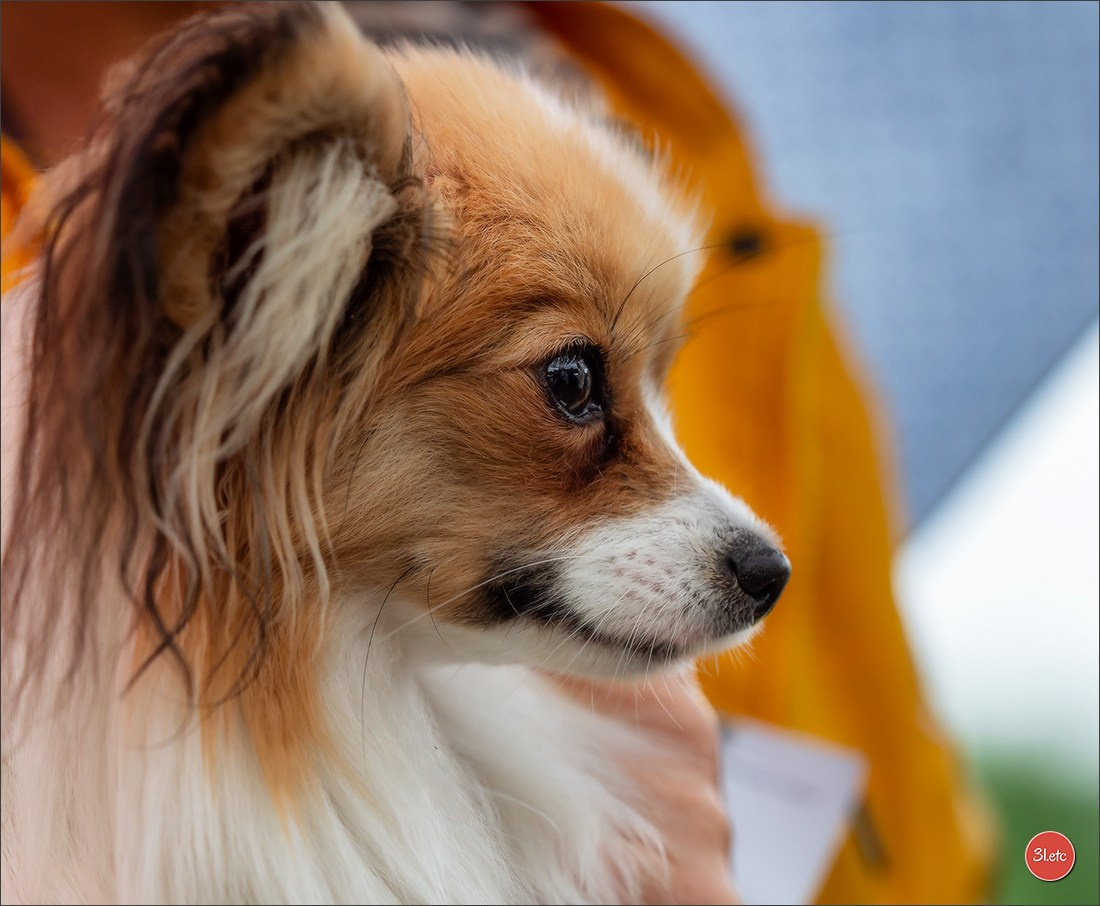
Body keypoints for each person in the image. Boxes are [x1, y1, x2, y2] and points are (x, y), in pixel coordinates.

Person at [1, 2, 993, 902]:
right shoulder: (312, 192)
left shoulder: (674, 135)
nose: (743, 540)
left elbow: (915, 859)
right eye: (569, 386)